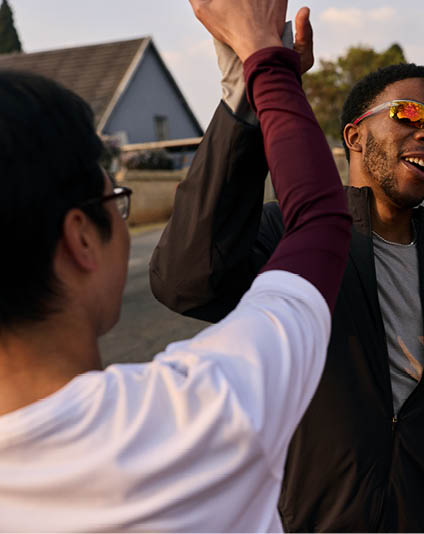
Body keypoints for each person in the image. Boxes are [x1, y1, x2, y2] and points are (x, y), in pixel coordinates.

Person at [149, 10, 424, 533]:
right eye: (409, 114)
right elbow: (185, 281)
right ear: (355, 135)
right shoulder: (292, 240)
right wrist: (247, 93)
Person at [0, 0, 352, 530]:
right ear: (81, 239)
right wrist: (264, 60)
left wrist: (256, 72)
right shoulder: (198, 415)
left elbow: (317, 221)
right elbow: (320, 220)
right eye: (115, 201)